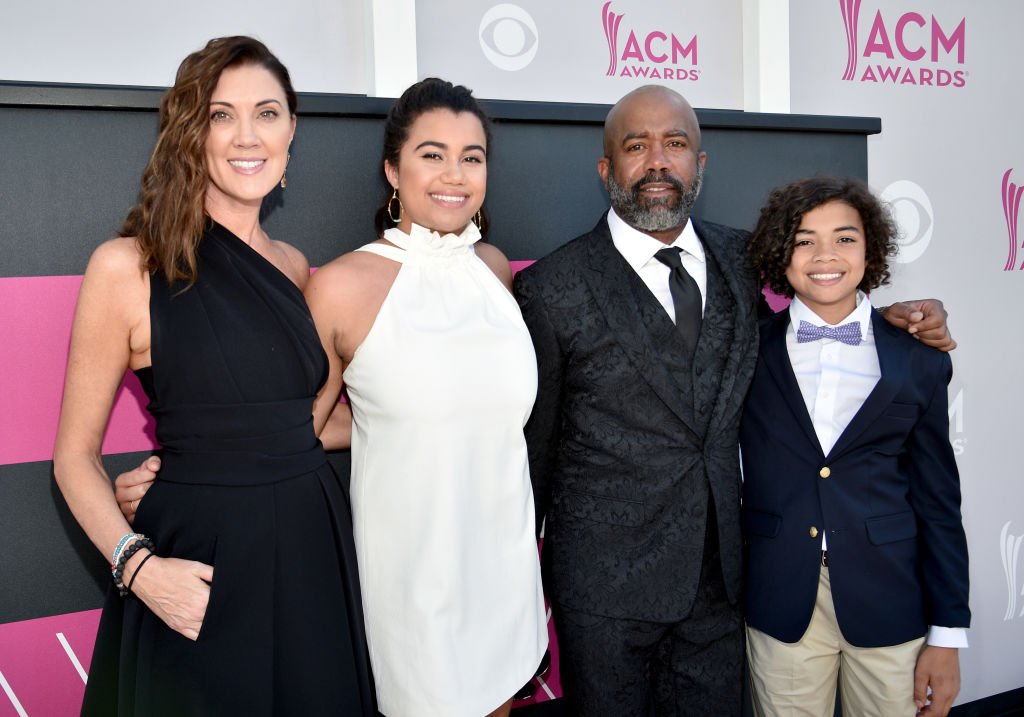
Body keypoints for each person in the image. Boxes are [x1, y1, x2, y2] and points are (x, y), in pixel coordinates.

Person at [512, 84, 956, 716]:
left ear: (701, 163)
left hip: (725, 585)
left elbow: (815, 318)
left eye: (676, 144)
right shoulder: (551, 288)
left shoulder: (744, 259)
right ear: (607, 169)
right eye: (637, 147)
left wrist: (896, 322)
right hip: (604, 594)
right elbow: (534, 455)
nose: (658, 161)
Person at [115, 77, 547, 716]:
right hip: (414, 573)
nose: (453, 173)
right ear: (392, 169)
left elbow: (447, 404)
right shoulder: (342, 286)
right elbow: (293, 426)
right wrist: (182, 469)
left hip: (502, 562)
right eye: (431, 154)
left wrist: (383, 419)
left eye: (471, 156)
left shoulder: (494, 269)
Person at [53, 36, 374, 716]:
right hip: (200, 567)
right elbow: (73, 459)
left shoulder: (293, 264)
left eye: (267, 112)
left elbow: (296, 422)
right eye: (221, 115)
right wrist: (140, 571)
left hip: (312, 546)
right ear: (189, 133)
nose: (246, 135)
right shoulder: (127, 267)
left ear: (292, 129)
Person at [740, 176, 969, 717]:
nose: (825, 255)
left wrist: (948, 632)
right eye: (804, 239)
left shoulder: (919, 359)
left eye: (845, 238)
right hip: (781, 595)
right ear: (782, 253)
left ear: (872, 250)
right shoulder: (746, 350)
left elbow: (939, 502)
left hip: (890, 597)